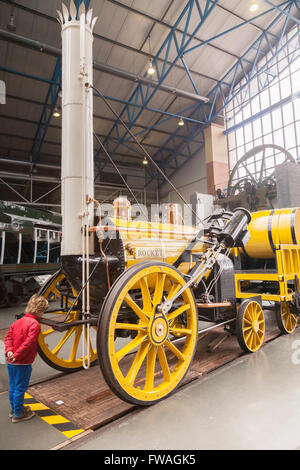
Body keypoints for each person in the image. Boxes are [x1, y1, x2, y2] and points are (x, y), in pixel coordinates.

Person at [4, 294, 48, 423]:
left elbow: (8, 338)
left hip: (10, 361)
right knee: (20, 388)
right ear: (39, 311)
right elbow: (28, 344)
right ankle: (18, 414)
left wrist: (10, 352)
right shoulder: (35, 325)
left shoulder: (17, 322)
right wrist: (17, 356)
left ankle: (14, 409)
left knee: (13, 386)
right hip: (23, 362)